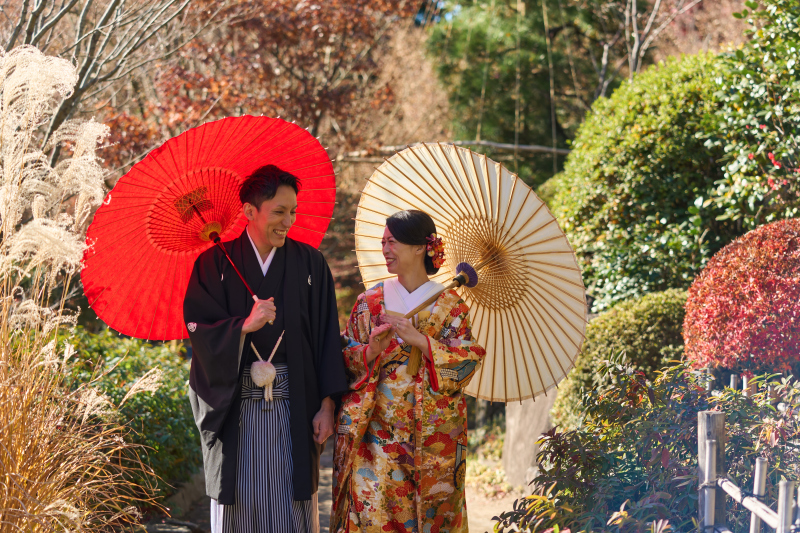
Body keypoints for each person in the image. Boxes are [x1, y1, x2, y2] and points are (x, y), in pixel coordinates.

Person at [184, 164, 347, 533]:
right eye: (279, 212)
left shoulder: (310, 264)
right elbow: (199, 331)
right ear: (249, 212)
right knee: (238, 504)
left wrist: (326, 404)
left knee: (290, 506)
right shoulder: (213, 264)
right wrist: (243, 326)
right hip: (235, 410)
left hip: (295, 405)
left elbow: (325, 335)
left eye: (292, 211)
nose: (287, 221)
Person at [331, 210, 486, 533]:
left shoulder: (449, 305)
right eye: (383, 242)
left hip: (432, 434)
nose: (385, 249)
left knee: (430, 515)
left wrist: (423, 342)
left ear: (420, 247)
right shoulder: (369, 302)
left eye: (393, 242)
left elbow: (467, 361)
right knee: (371, 512)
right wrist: (371, 349)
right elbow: (343, 356)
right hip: (375, 430)